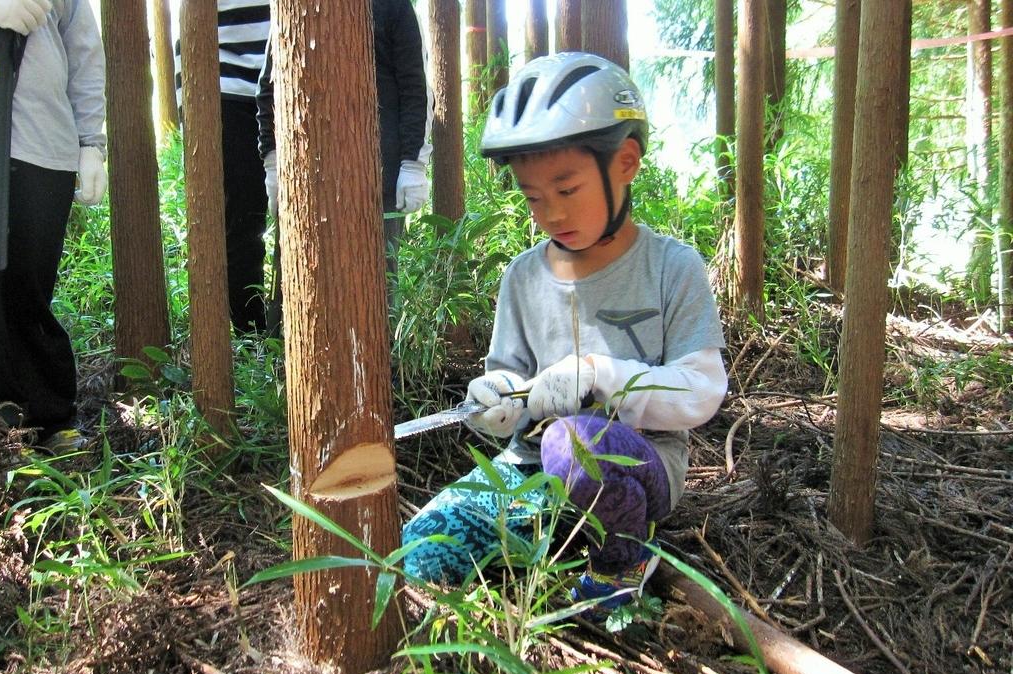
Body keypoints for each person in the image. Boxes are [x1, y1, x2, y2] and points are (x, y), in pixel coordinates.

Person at [401, 52, 727, 611]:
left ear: (624, 162)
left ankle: (622, 561)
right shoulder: (524, 278)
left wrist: (603, 376)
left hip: (636, 464)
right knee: (424, 552)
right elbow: (507, 379)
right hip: (530, 468)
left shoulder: (672, 268)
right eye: (532, 196)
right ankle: (564, 541)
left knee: (571, 442)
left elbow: (701, 391)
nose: (550, 212)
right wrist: (497, 401)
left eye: (567, 189)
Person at [0, 0, 106, 447]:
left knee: (27, 284)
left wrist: (90, 143)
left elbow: (83, 51)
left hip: (41, 145)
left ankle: (48, 419)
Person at [256, 0, 433, 293]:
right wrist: (273, 163)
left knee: (376, 290)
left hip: (377, 182)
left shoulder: (394, 7)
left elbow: (416, 88)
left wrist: (413, 164)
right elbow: (269, 90)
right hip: (305, 181)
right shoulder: (294, 7)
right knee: (294, 290)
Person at [175, 0, 271, 334]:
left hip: (292, 86)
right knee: (244, 222)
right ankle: (253, 334)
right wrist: (187, 109)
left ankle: (290, 326)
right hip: (226, 92)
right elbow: (186, 27)